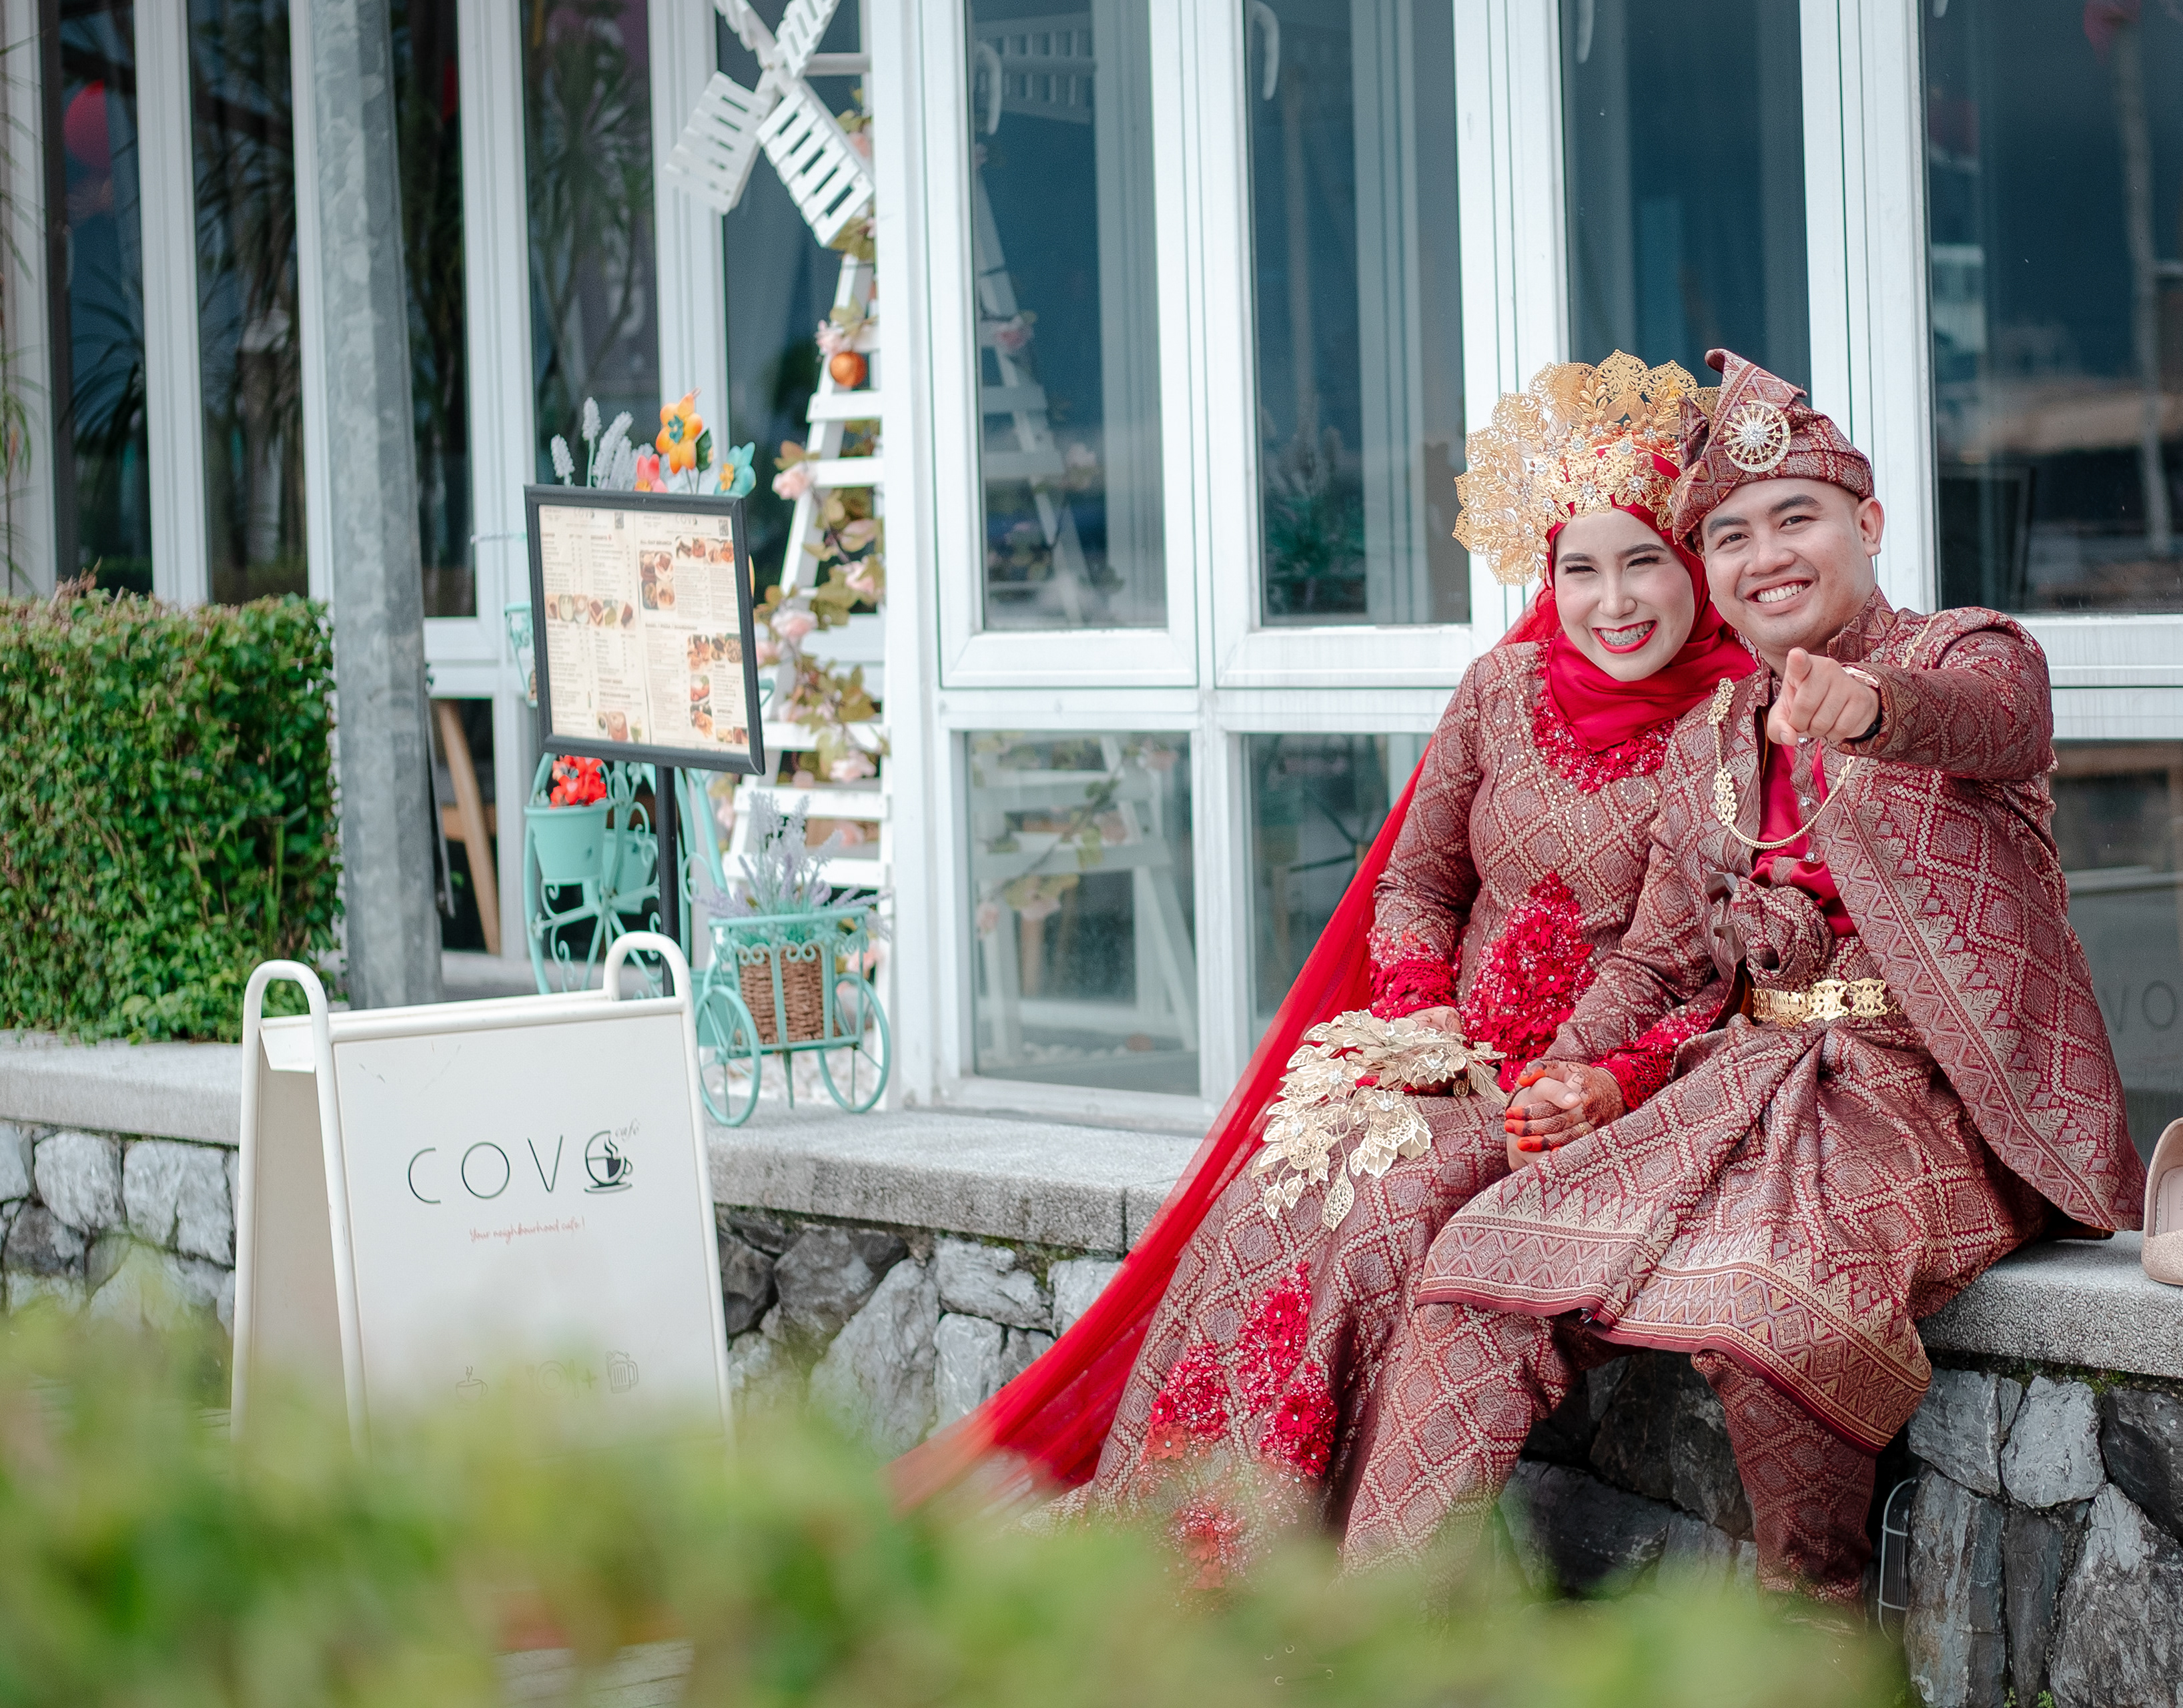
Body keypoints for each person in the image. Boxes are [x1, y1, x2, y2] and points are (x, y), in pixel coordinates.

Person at [895, 354, 1757, 1577]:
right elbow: (1417, 883)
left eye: (1644, 563)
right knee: (1277, 1180)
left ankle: (1289, 1561)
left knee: (1389, 1209)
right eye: (1581, 568)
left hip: (1592, 1097)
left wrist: (1572, 1081)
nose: (1612, 601)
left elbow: (1694, 965)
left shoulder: (1732, 724)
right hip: (1442, 1055)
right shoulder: (1502, 689)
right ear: (1548, 575)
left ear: (1694, 569)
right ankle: (1166, 1523)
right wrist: (1415, 1013)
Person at [1344, 349, 2148, 1601]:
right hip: (1744, 1081)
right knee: (1476, 1269)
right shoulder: (1711, 738)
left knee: (1769, 1303)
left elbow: (1988, 718)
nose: (1765, 555)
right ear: (1712, 573)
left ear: (1867, 527)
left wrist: (1863, 707)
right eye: (1730, 536)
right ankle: (1383, 1633)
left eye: (1796, 519)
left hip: (1938, 1102)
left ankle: (1811, 1636)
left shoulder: (1972, 649)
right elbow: (1661, 957)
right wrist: (1575, 1074)